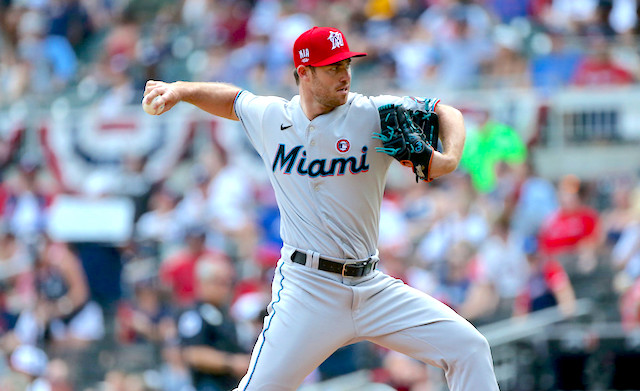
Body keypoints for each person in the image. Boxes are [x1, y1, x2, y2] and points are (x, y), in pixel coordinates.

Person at [142, 26, 499, 391]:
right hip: (307, 289)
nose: (344, 74)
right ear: (304, 73)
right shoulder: (273, 118)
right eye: (332, 68)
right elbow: (233, 100)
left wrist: (451, 159)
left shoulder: (373, 114)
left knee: (469, 348)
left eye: (346, 64)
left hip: (372, 286)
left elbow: (445, 112)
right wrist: (181, 90)